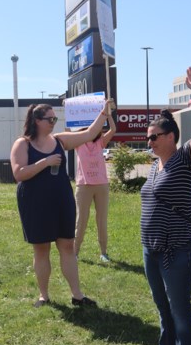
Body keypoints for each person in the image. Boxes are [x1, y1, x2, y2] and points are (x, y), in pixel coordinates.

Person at [138, 67, 191, 345]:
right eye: (148, 138)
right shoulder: (155, 165)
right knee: (161, 304)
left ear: (171, 136)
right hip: (151, 247)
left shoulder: (185, 158)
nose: (150, 142)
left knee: (180, 307)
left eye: (154, 137)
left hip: (178, 247)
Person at [11, 99, 112, 308]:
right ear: (37, 121)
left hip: (61, 199)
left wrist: (103, 114)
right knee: (41, 249)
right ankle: (44, 296)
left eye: (55, 118)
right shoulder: (23, 143)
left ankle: (77, 295)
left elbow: (88, 134)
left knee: (67, 245)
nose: (54, 122)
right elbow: (19, 173)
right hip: (34, 202)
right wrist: (44, 162)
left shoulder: (60, 140)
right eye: (50, 119)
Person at [73, 103, 117, 262]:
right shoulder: (78, 143)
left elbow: (113, 130)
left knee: (102, 219)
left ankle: (104, 253)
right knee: (81, 220)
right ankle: (75, 253)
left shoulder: (101, 143)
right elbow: (67, 131)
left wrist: (108, 114)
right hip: (84, 185)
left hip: (101, 186)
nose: (96, 130)